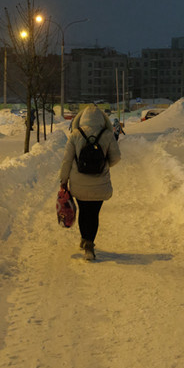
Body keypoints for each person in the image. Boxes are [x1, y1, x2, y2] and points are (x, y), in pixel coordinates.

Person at [60, 105, 122, 261]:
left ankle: (84, 239)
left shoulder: (75, 134)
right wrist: (104, 165)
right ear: (102, 120)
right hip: (100, 184)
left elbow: (67, 160)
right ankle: (89, 245)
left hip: (79, 183)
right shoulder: (107, 135)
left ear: (81, 119)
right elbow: (116, 158)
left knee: (83, 211)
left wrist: (63, 181)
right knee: (94, 214)